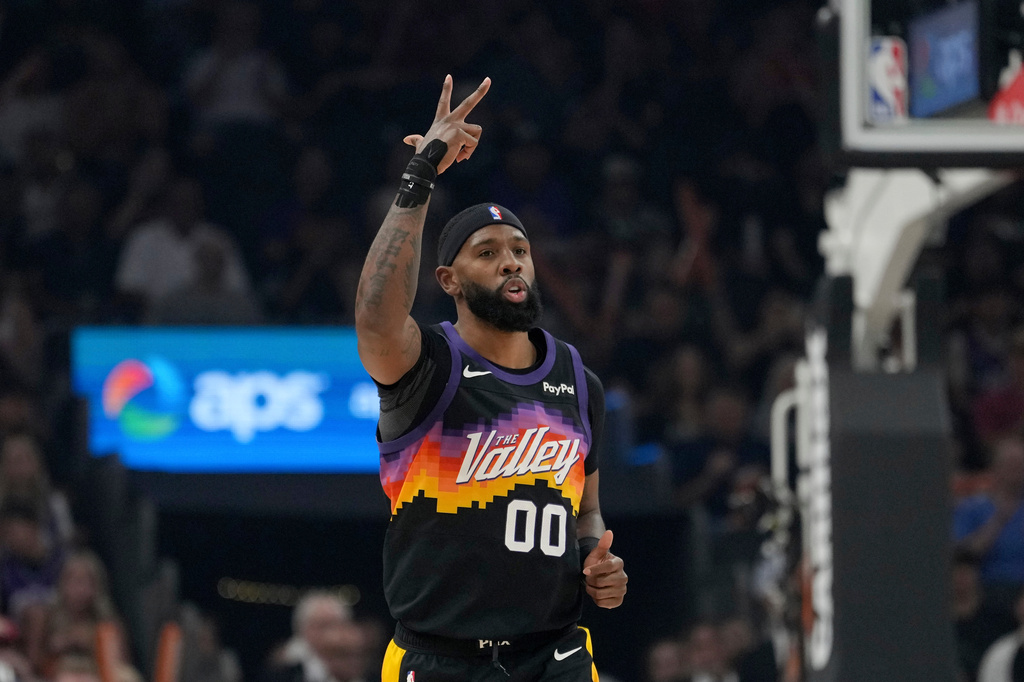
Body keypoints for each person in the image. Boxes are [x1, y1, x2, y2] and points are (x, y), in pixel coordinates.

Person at [354, 75, 627, 681]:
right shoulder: (428, 364)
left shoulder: (579, 380)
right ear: (448, 280)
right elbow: (375, 318)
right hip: (440, 656)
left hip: (553, 653)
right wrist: (422, 171)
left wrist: (597, 561)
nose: (510, 261)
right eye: (487, 252)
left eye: (519, 250)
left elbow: (586, 512)